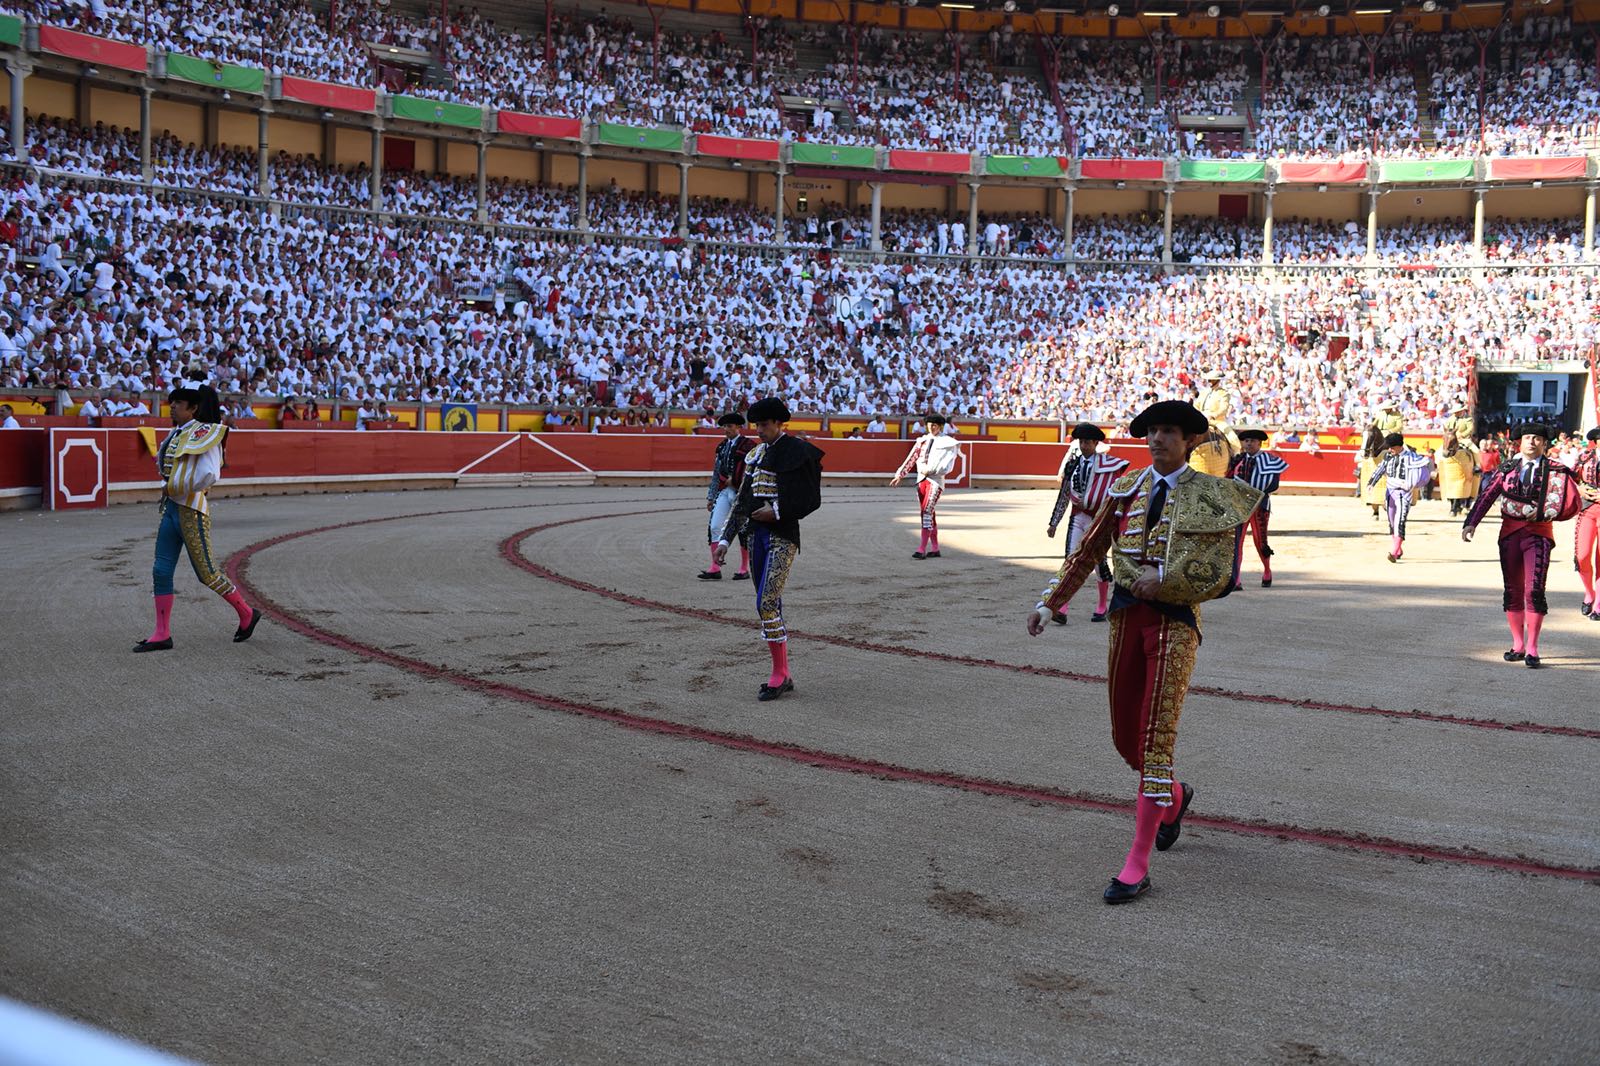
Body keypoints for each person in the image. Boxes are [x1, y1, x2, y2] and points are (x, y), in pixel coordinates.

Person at [1027, 400, 1261, 905]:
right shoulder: (1127, 487)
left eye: (1168, 431)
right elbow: (1089, 550)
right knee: (1125, 737)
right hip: (1126, 619)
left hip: (1174, 624)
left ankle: (1137, 865)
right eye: (1152, 431)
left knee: (1155, 740)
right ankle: (1173, 796)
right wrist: (1050, 603)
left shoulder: (1213, 495)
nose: (1157, 439)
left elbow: (1222, 575)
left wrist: (1167, 579)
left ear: (1191, 440)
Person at [135, 385, 261, 653]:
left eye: (178, 403)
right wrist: (171, 488)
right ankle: (162, 633)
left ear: (193, 408)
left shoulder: (206, 434)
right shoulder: (175, 433)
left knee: (207, 573)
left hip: (191, 509)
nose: (172, 407)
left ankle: (247, 613)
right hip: (171, 508)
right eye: (172, 402)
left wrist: (174, 487)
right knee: (160, 570)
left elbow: (210, 474)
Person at [715, 397, 824, 701]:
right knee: (769, 604)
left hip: (782, 536)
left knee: (766, 602)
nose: (759, 430)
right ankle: (783, 672)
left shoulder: (798, 451)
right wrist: (724, 540)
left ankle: (779, 673)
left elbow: (810, 499)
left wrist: (776, 511)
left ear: (779, 423)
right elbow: (742, 502)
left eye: (764, 425)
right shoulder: (756, 455)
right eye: (756, 425)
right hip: (755, 536)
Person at [1463, 423, 1581, 667]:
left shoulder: (1557, 470)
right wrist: (1471, 522)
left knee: (1535, 590)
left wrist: (1549, 512)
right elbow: (1487, 495)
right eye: (1528, 438)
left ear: (1544, 443)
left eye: (1537, 438)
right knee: (1513, 589)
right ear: (1520, 442)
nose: (1531, 442)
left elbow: (1572, 503)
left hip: (1539, 534)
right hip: (1509, 534)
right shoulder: (1507, 468)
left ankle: (1533, 648)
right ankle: (1518, 645)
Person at [1045, 422, 1129, 623]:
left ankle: (1101, 606)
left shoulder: (1108, 466)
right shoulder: (1072, 465)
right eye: (1081, 442)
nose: (1083, 446)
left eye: (1087, 442)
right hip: (1078, 516)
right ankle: (1062, 607)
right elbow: (1064, 495)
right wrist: (1054, 522)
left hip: (1098, 518)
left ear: (1095, 443)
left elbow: (1116, 493)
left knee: (1098, 562)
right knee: (1070, 559)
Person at [890, 414, 961, 559]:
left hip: (935, 481)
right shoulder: (922, 441)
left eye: (934, 425)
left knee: (926, 511)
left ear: (940, 426)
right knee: (929, 512)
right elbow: (912, 458)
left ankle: (921, 549)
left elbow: (947, 466)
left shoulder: (949, 443)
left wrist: (931, 470)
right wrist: (900, 475)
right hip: (921, 480)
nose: (931, 427)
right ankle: (935, 548)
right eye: (929, 425)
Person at [1227, 428, 1289, 587]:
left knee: (1260, 541)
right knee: (1237, 542)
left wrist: (1254, 492)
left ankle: (1267, 570)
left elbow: (1273, 485)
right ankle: (1236, 578)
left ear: (1259, 444)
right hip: (1240, 506)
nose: (1249, 444)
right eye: (1246, 441)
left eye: (1252, 441)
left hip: (1259, 506)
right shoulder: (1238, 460)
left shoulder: (1270, 460)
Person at [701, 412, 753, 581]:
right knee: (715, 526)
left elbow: (753, 471)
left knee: (743, 529)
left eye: (729, 426)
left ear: (738, 427)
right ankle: (715, 567)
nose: (726, 429)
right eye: (724, 426)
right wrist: (711, 496)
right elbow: (717, 473)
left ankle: (744, 568)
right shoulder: (722, 447)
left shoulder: (749, 446)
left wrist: (738, 481)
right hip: (724, 491)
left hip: (742, 493)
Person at [1368, 433, 1430, 562]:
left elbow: (1423, 472)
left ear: (1399, 446)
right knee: (1392, 521)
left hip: (1404, 493)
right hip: (1390, 492)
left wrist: (1413, 484)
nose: (1389, 449)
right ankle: (1398, 549)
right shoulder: (1388, 456)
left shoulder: (1412, 457)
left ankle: (1394, 552)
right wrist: (1371, 483)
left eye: (1392, 447)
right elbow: (1380, 468)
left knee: (1399, 521)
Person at [1573, 428, 1600, 620]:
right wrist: (1580, 489)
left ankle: (1598, 604)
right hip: (1587, 508)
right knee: (1582, 556)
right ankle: (1589, 592)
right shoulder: (1584, 457)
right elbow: (1570, 478)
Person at [1191, 369, 1236, 477]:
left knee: (1233, 440)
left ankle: (1235, 458)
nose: (1210, 381)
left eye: (1212, 379)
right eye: (1209, 379)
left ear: (1217, 380)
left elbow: (1223, 408)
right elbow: (1196, 406)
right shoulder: (1204, 393)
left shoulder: (1224, 393)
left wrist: (1213, 415)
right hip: (1201, 418)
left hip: (1216, 421)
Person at [1438, 429, 1480, 517]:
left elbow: (1470, 428)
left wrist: (1461, 435)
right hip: (1449, 438)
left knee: (1476, 450)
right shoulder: (1451, 421)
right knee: (1438, 452)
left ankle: (1477, 465)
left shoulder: (1468, 421)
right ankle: (1438, 467)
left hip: (1463, 439)